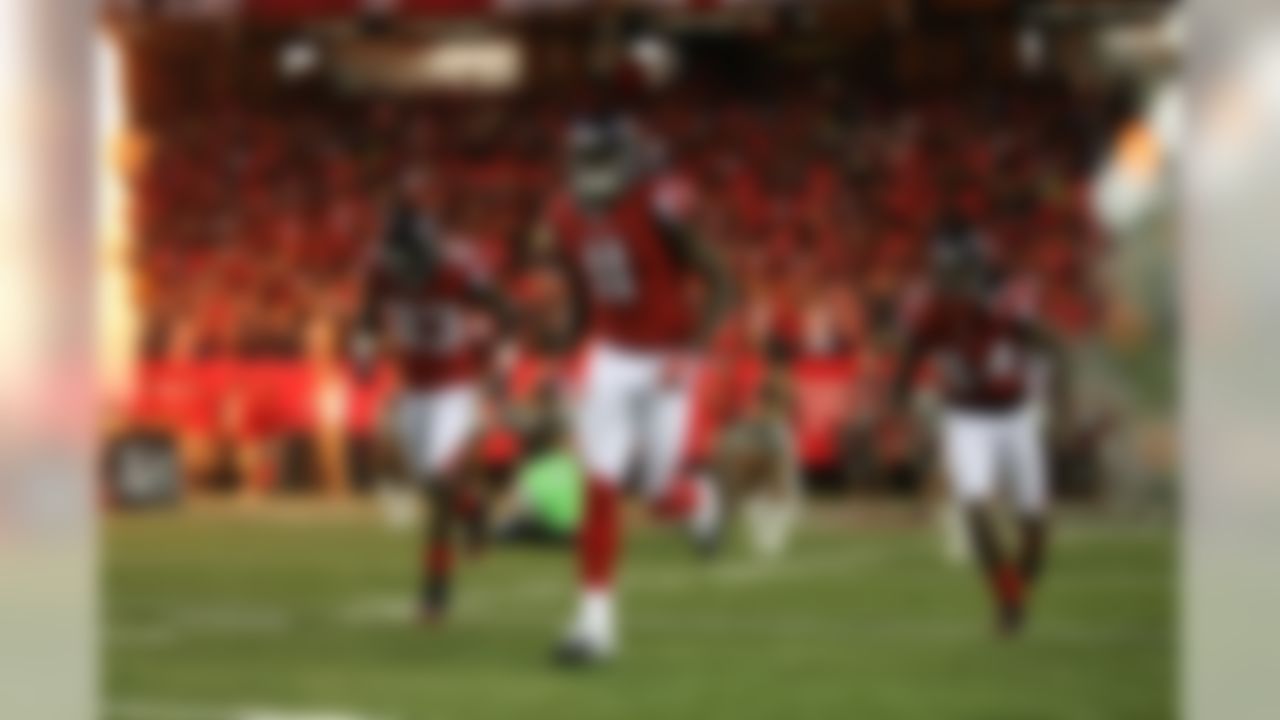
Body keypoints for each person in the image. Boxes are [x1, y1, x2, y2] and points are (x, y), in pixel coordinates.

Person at [532, 114, 734, 665]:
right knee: (600, 488)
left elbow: (722, 282)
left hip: (667, 354)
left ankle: (701, 499)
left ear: (624, 163)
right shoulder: (564, 214)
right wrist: (563, 351)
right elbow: (582, 293)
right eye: (584, 161)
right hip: (611, 356)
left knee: (659, 493)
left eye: (601, 161)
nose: (590, 172)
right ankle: (595, 627)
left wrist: (693, 352)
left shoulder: (658, 206)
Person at [890, 214, 1071, 635]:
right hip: (966, 416)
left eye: (952, 269)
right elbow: (912, 352)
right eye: (941, 269)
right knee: (973, 505)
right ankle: (1007, 599)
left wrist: (1064, 408)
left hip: (1015, 414)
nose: (944, 277)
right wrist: (896, 400)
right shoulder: (930, 305)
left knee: (1035, 525)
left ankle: (1017, 591)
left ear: (973, 265)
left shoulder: (1009, 299)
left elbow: (1054, 348)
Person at [354, 195, 511, 622]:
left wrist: (501, 366)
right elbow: (368, 313)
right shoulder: (383, 269)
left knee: (440, 483)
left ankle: (435, 592)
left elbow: (504, 310)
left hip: (454, 390)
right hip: (414, 390)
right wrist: (364, 351)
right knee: (429, 484)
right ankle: (474, 510)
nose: (406, 269)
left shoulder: (457, 271)